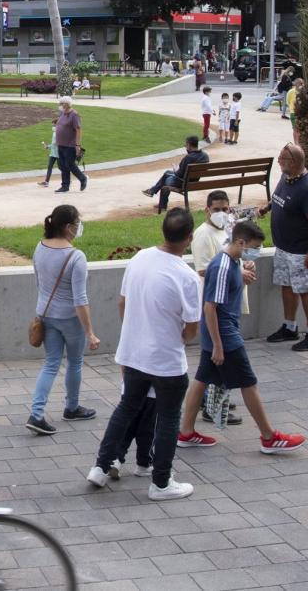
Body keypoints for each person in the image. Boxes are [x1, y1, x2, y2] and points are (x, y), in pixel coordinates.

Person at [86, 208, 200, 501]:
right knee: (168, 418)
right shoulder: (187, 276)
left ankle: (101, 466)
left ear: (163, 231)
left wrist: (136, 332)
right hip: (165, 361)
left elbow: (123, 303)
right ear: (188, 239)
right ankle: (161, 482)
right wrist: (174, 337)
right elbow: (191, 329)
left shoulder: (139, 259)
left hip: (134, 354)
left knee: (127, 407)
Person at [177, 221, 308, 453]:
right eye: (253, 247)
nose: (255, 252)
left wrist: (242, 270)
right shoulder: (224, 266)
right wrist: (218, 345)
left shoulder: (230, 261)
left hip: (221, 334)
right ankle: (269, 437)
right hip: (226, 336)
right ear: (240, 242)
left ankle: (185, 432)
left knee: (201, 378)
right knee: (249, 383)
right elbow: (210, 308)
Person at [25, 205, 100, 435]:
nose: (79, 227)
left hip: (46, 315)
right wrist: (90, 332)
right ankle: (72, 407)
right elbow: (80, 299)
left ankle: (36, 414)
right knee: (75, 362)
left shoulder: (40, 247)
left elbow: (39, 283)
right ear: (68, 227)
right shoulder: (76, 257)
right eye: (77, 223)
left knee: (51, 363)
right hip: (69, 318)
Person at [190, 190, 254, 426]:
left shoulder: (229, 231)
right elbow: (204, 269)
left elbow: (231, 259)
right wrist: (239, 271)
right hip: (217, 308)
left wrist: (243, 264)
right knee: (221, 361)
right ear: (207, 209)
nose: (221, 213)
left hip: (230, 305)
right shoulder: (202, 235)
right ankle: (212, 407)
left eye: (225, 209)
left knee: (210, 368)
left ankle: (206, 407)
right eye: (216, 209)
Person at [259, 144, 308, 352]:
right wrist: (267, 207)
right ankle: (290, 326)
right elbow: (278, 196)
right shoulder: (286, 177)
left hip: (300, 250)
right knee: (286, 286)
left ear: (294, 162)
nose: (278, 161)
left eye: (282, 159)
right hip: (283, 247)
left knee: (305, 290)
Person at [142, 135, 209, 214]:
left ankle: (158, 198)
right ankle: (153, 192)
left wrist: (175, 169)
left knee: (166, 178)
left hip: (183, 183)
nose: (185, 147)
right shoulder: (205, 156)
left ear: (189, 145)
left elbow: (179, 174)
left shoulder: (188, 157)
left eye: (186, 145)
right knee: (167, 173)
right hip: (194, 182)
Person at [53, 96, 87, 193]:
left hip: (70, 145)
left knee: (70, 164)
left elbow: (78, 129)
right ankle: (65, 186)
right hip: (61, 144)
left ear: (67, 104)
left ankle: (82, 178)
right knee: (63, 165)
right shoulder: (63, 113)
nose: (60, 105)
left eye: (62, 103)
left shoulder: (74, 115)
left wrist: (77, 145)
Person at [286, 78, 303, 144]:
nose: (301, 85)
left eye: (302, 84)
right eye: (300, 84)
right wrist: (291, 108)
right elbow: (288, 101)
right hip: (293, 112)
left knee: (300, 129)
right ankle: (296, 143)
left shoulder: (303, 92)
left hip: (301, 112)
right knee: (295, 129)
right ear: (296, 84)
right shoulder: (291, 92)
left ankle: (299, 142)